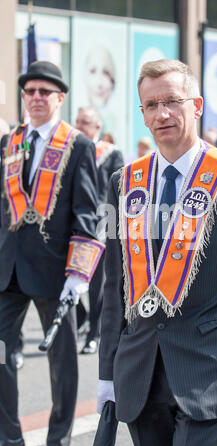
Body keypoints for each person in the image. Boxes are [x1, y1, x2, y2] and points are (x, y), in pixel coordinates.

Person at [96, 59, 217, 446]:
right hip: (141, 373)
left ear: (197, 105)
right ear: (142, 114)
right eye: (151, 105)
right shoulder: (125, 182)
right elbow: (115, 287)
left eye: (172, 100)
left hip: (210, 370)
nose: (162, 114)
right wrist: (106, 372)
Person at [0, 61, 104, 446]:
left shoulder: (78, 144)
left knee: (62, 366)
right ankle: (9, 438)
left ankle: (58, 441)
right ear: (24, 98)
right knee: (1, 353)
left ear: (60, 98)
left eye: (45, 92)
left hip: (56, 271)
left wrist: (78, 275)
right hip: (8, 269)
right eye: (31, 91)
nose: (37, 98)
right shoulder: (10, 142)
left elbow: (86, 212)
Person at [75, 106, 124, 354]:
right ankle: (81, 316)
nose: (79, 126)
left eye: (85, 122)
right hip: (75, 225)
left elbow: (116, 191)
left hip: (102, 225)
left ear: (97, 126)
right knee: (66, 280)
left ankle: (94, 334)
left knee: (97, 286)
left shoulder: (111, 153)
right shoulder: (72, 151)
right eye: (77, 121)